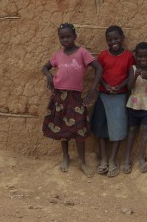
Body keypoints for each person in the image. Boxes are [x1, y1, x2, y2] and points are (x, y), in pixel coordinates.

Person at [42, 23, 102, 178]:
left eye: (68, 36)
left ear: (75, 36)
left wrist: (92, 90)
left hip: (75, 97)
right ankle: (66, 157)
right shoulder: (58, 55)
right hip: (59, 96)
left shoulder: (82, 52)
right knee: (62, 127)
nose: (65, 40)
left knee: (79, 128)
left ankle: (82, 162)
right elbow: (45, 68)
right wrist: (49, 76)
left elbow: (98, 68)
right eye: (62, 37)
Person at [91, 25, 135, 178]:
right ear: (106, 41)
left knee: (117, 129)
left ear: (122, 38)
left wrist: (119, 87)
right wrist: (106, 86)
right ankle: (103, 159)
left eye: (116, 38)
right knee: (101, 128)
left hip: (120, 97)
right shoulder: (103, 55)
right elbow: (99, 73)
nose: (113, 42)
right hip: (104, 96)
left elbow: (130, 75)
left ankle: (112, 160)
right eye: (110, 40)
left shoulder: (129, 56)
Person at [123, 42, 147, 174]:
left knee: (144, 130)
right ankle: (127, 158)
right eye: (139, 56)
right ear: (135, 56)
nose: (142, 59)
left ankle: (141, 158)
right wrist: (136, 76)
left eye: (146, 56)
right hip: (134, 104)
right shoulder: (133, 68)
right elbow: (129, 87)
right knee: (132, 131)